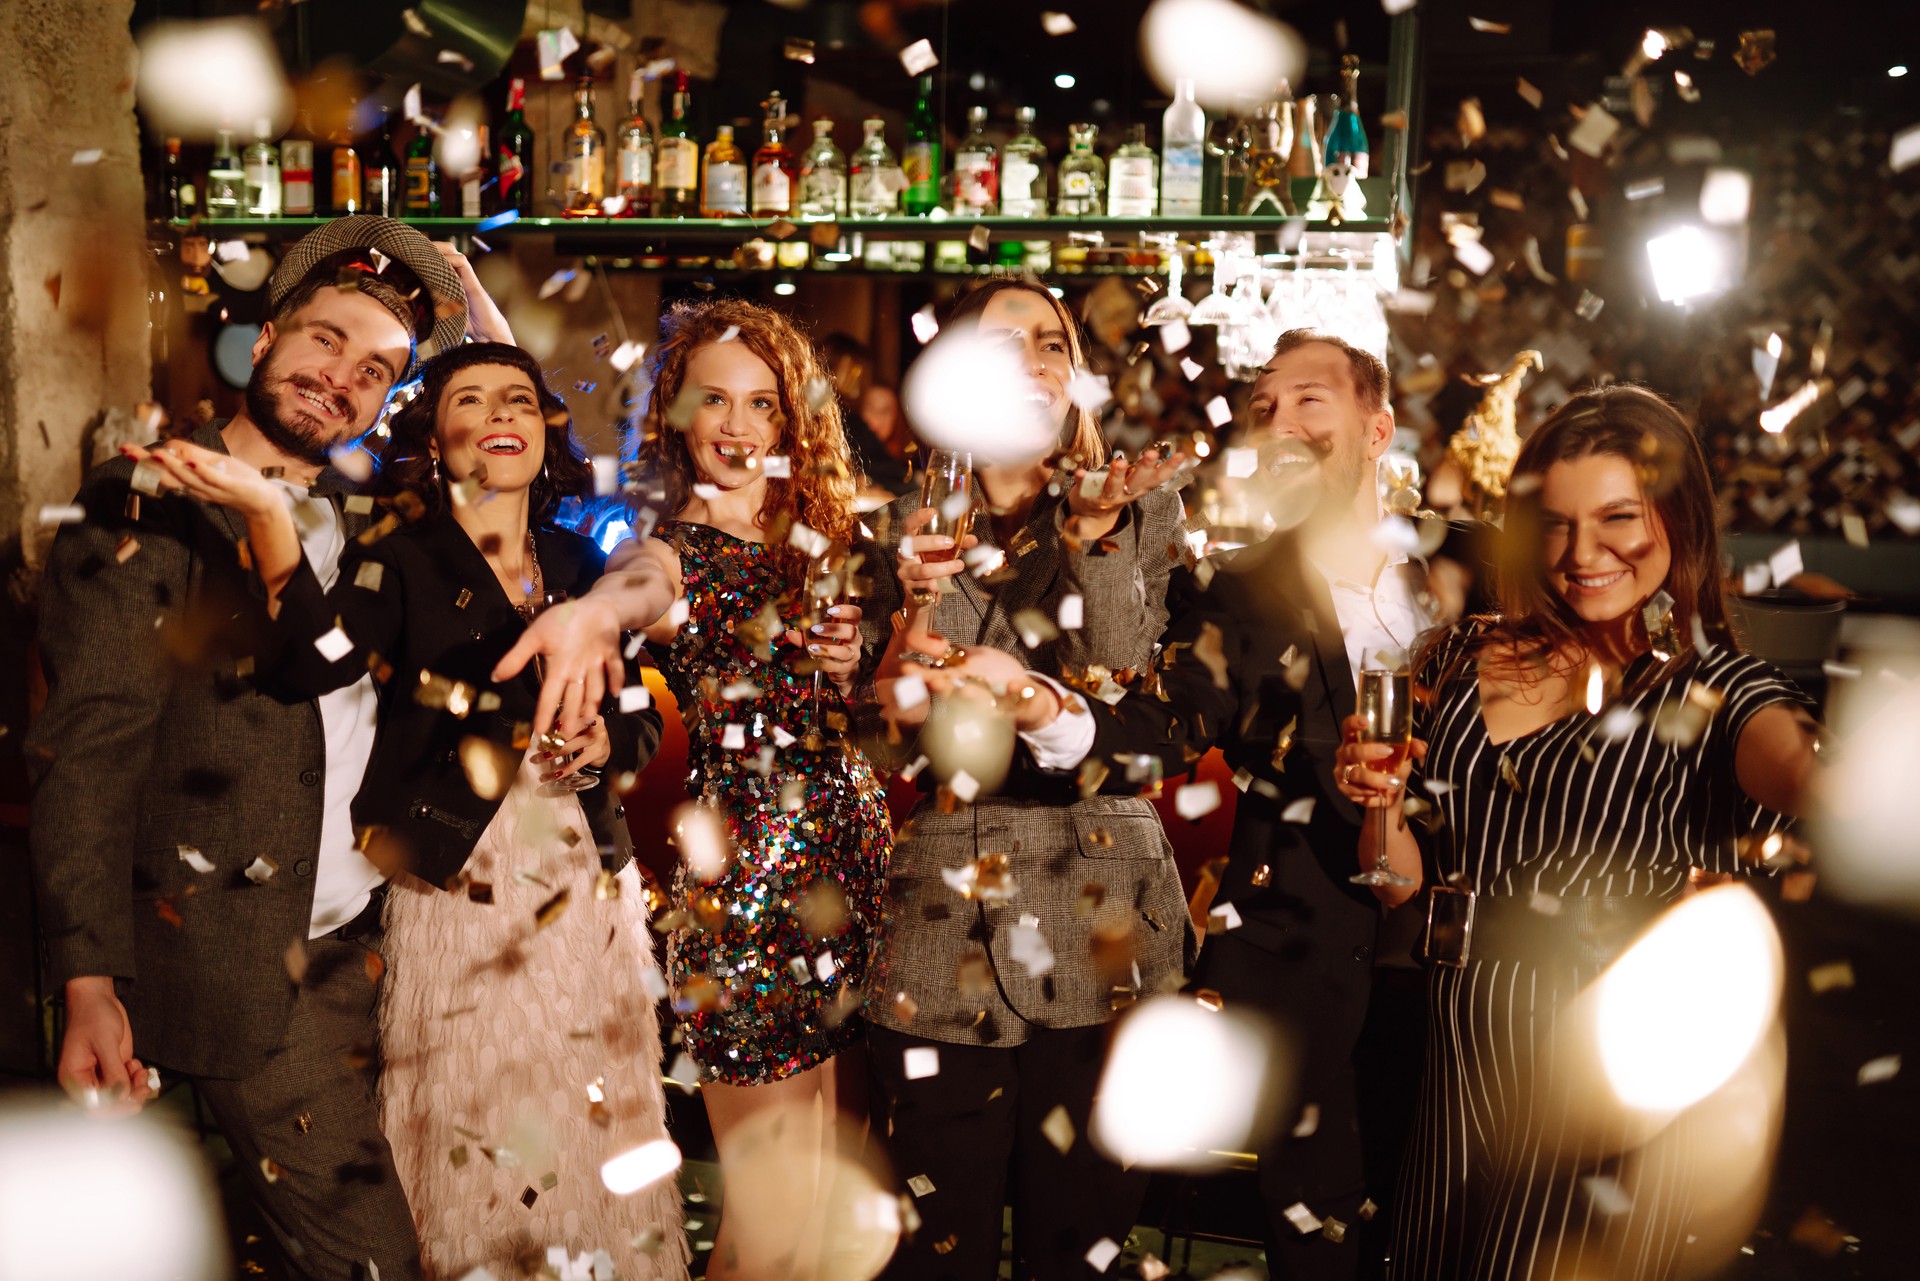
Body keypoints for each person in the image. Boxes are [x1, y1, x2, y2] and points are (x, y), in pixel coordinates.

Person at [880, 329, 1491, 1281]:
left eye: (1308, 402)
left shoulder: (1484, 572)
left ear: (1378, 429)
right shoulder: (1235, 595)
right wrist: (1050, 708)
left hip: (1484, 957)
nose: (1279, 425)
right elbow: (1160, 729)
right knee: (1317, 1244)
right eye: (1262, 411)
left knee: (1480, 1227)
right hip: (1302, 964)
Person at [120, 341, 688, 1279]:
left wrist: (598, 748)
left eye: (519, 398)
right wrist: (267, 511)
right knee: (491, 1140)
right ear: (434, 435)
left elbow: (632, 715)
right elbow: (314, 658)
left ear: (547, 432)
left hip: (587, 898)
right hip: (461, 896)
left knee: (597, 1138)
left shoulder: (582, 553)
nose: (501, 414)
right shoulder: (402, 552)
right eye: (472, 399)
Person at [27, 215, 468, 1280]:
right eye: (325, 342)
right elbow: (86, 752)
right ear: (265, 339)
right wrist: (86, 978)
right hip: (231, 963)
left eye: (374, 371)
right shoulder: (145, 498)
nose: (340, 380)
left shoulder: (374, 521)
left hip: (356, 950)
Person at [1330, 385, 1820, 1281]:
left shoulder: (1712, 687)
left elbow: (1800, 765)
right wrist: (1378, 797)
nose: (1583, 553)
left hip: (1613, 1076)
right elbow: (1397, 882)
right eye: (1554, 523)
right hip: (1458, 1058)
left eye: (1618, 518)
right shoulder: (1451, 654)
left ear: (1678, 519)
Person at [502, 298, 892, 1280]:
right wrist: (592, 615)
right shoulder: (673, 544)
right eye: (712, 399)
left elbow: (839, 700)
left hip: (834, 889)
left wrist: (851, 664)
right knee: (766, 1232)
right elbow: (636, 583)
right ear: (672, 412)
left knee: (812, 1222)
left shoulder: (809, 534)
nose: (736, 425)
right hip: (752, 905)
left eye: (761, 404)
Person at [858, 279, 1195, 1281]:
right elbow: (888, 744)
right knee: (935, 1256)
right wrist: (900, 635)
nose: (1035, 364)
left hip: (1106, 916)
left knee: (1077, 1252)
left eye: (1051, 344)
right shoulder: (896, 529)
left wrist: (1096, 546)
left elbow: (1136, 703)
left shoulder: (1145, 508)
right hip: (940, 936)